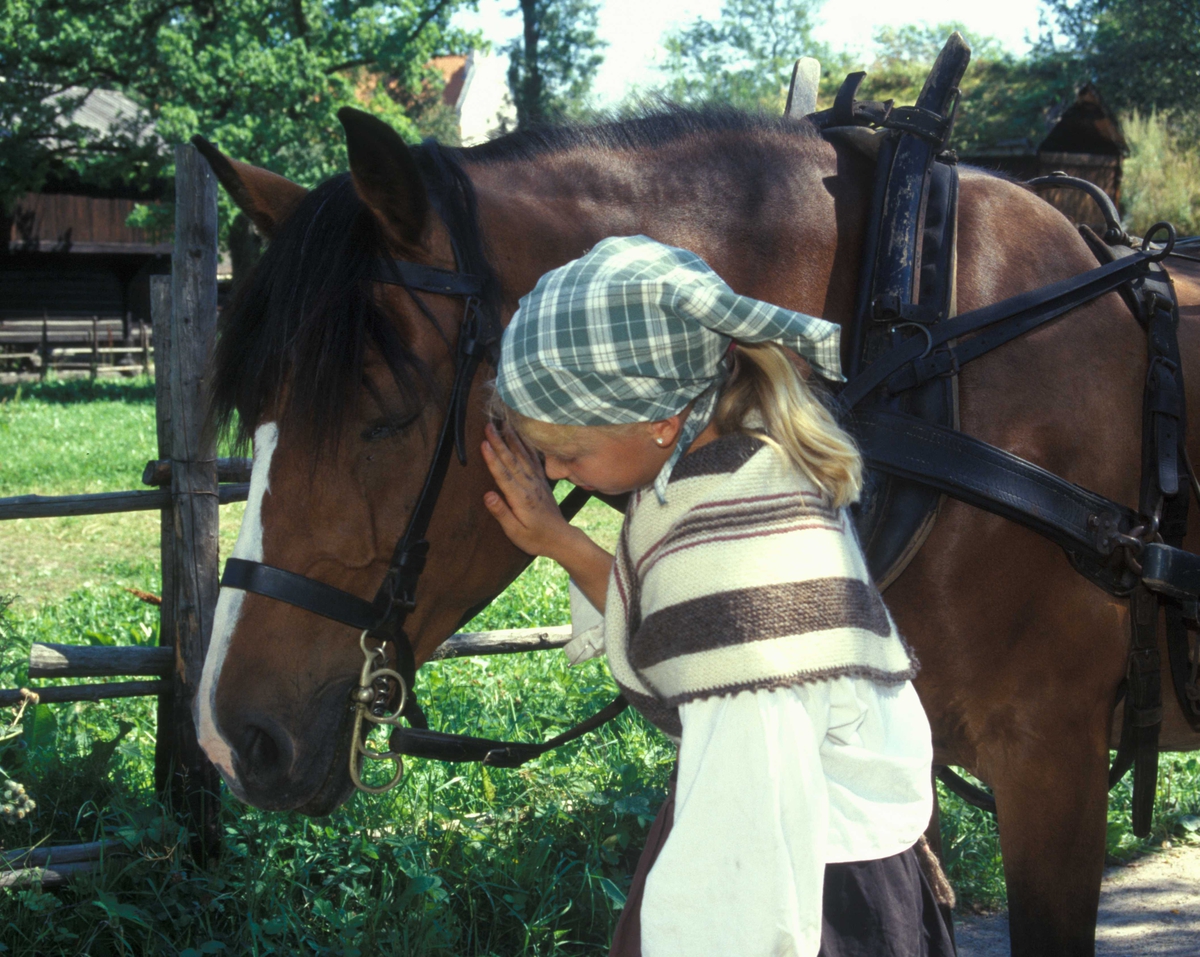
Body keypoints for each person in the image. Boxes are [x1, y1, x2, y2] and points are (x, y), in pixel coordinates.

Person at [481, 235, 953, 957]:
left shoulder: (746, 570)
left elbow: (746, 857)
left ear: (660, 419)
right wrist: (562, 542)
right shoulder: (725, 464)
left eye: (568, 452)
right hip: (782, 831)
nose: (550, 467)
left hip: (801, 885)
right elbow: (683, 621)